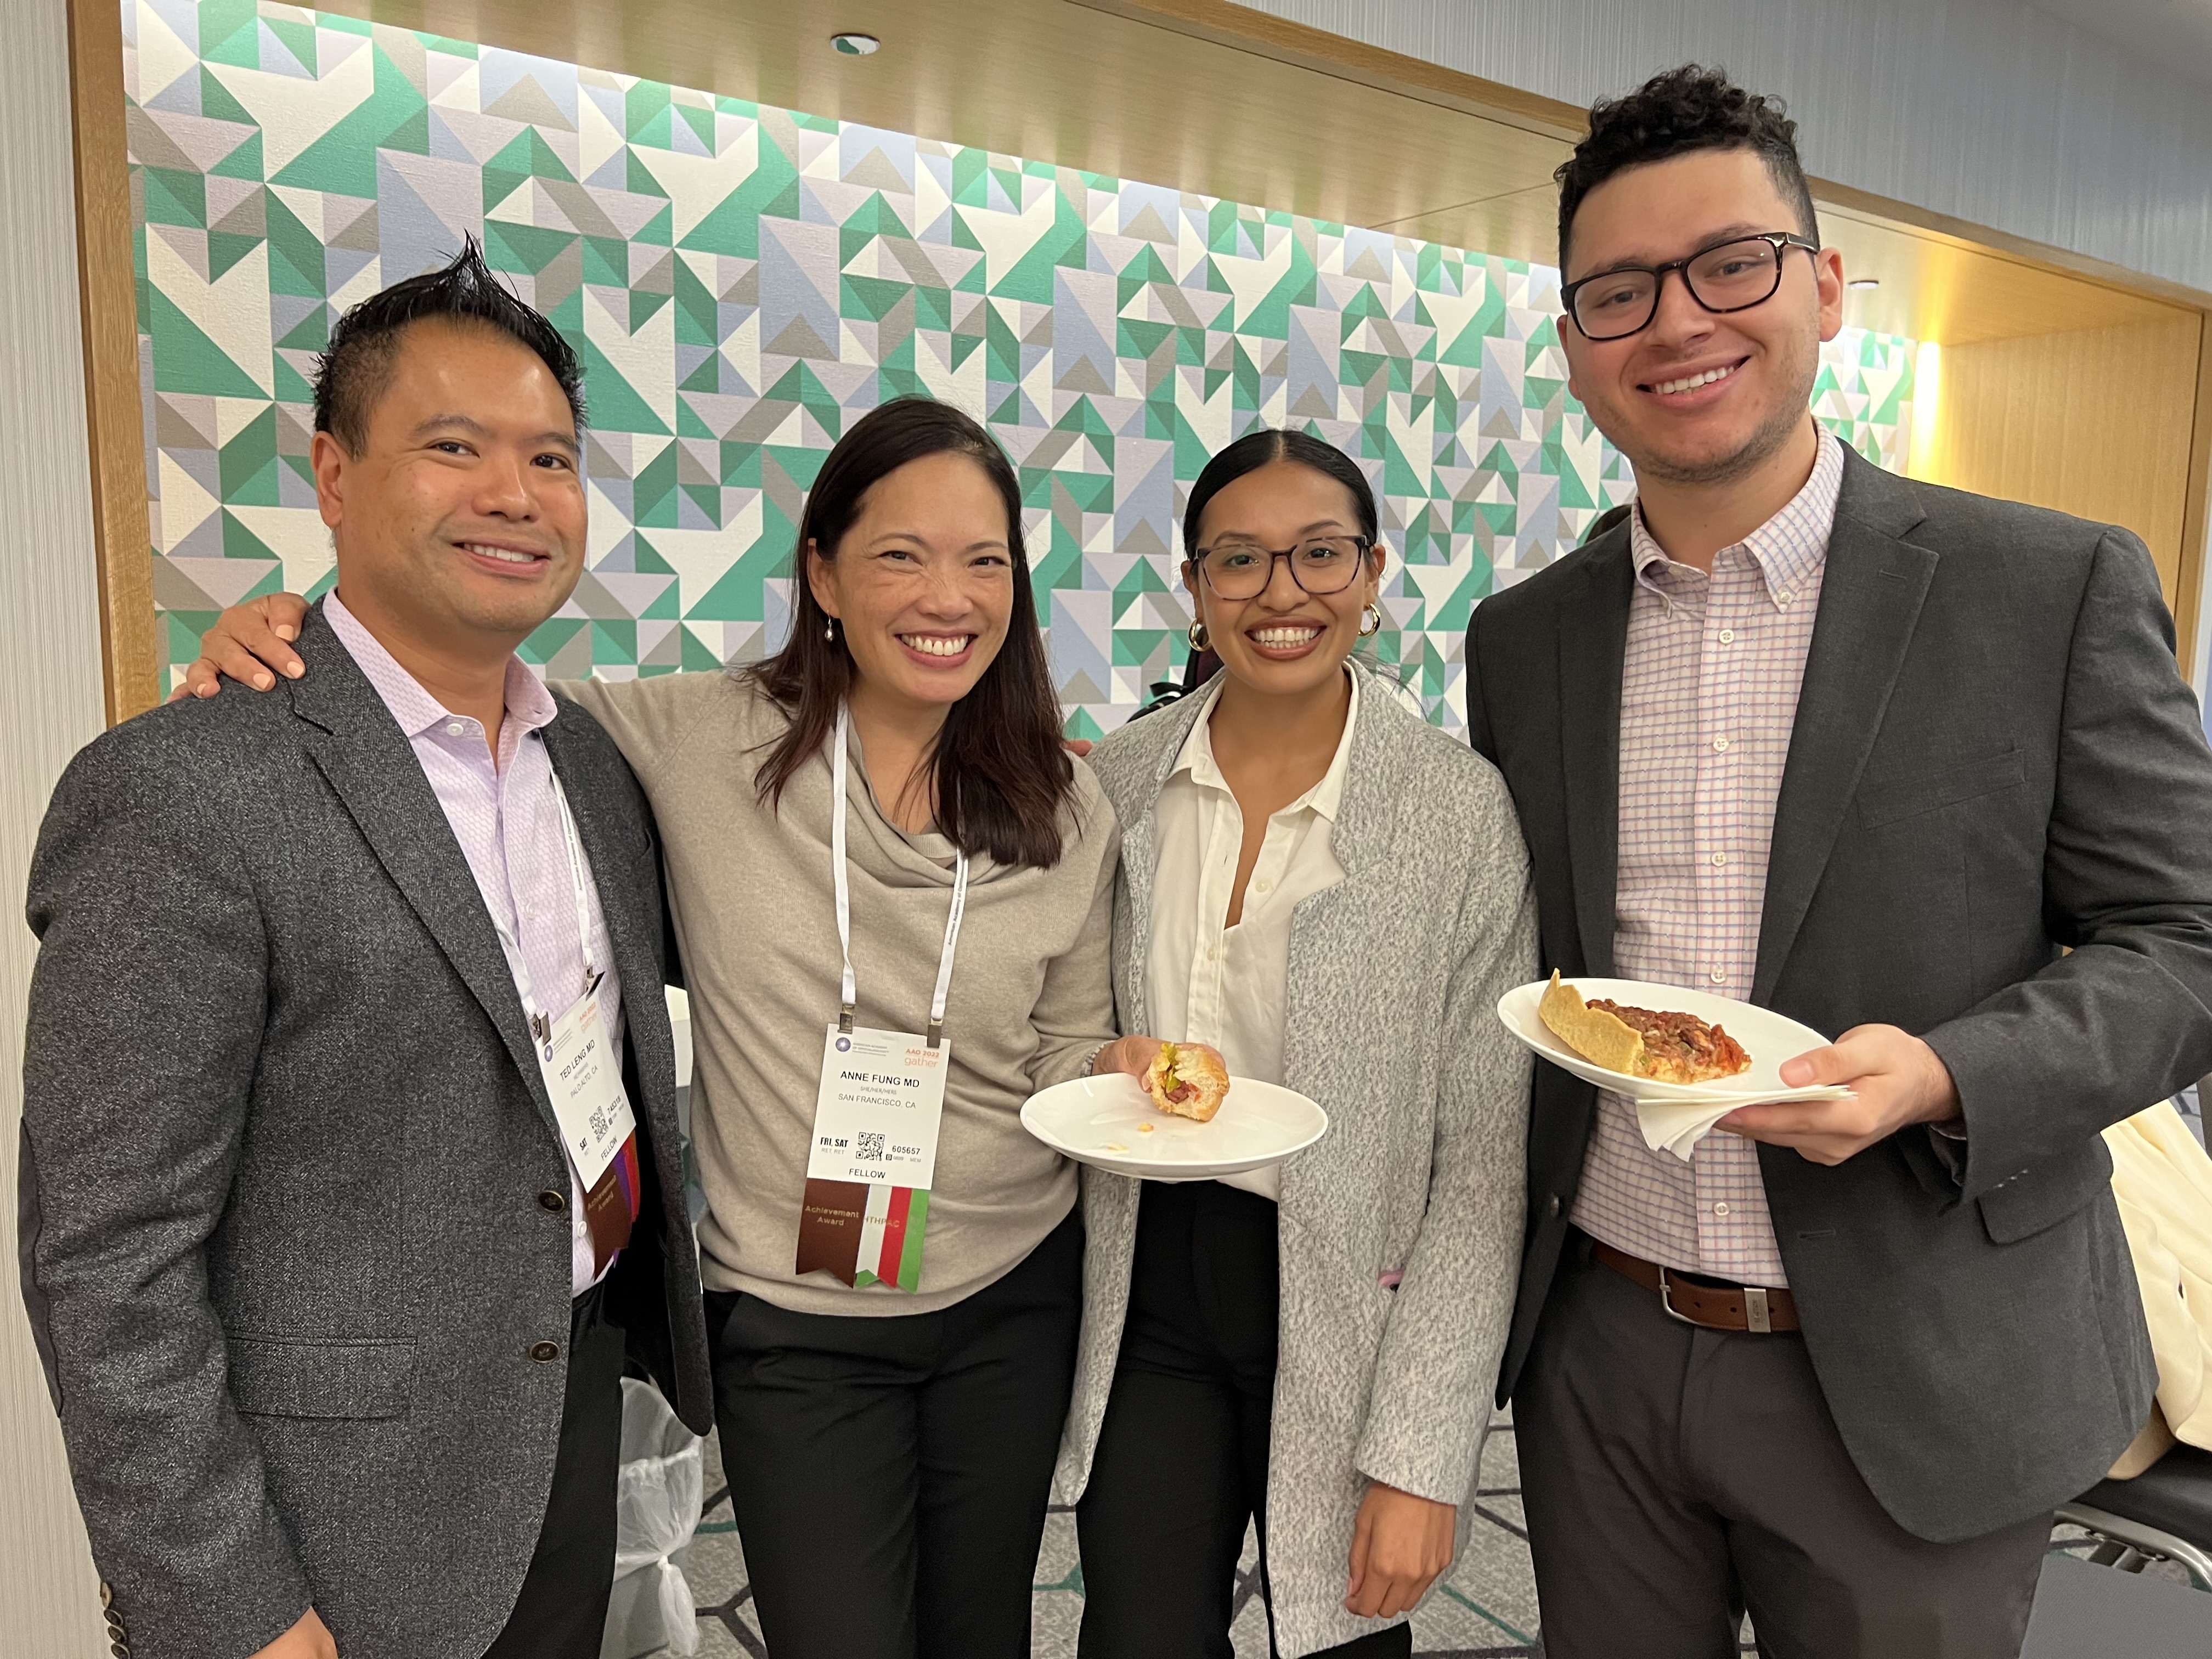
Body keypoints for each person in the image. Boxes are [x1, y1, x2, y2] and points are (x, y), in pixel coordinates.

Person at [176, 395, 1178, 1659]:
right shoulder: (696, 736)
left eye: (986, 561)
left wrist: (1113, 1062)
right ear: (824, 574)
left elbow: (1062, 1045)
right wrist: (289, 636)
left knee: (980, 1632)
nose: (948, 597)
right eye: (901, 554)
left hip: (1013, 1296)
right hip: (796, 1320)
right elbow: (456, 710)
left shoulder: (1062, 797)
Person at [1463, 64, 2212, 1658]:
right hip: (1600, 1341)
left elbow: (2185, 941)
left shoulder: (2046, 588)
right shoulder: (1523, 638)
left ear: (1822, 288)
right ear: (1575, 346)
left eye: (1730, 264)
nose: (1677, 320)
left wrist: (1942, 1076)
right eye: (1618, 291)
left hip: (1921, 1354)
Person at [20, 242, 712, 1659]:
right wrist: (232, 1603)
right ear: (334, 476)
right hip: (330, 1522)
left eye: (552, 458)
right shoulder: (185, 789)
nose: (514, 493)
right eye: (454, 447)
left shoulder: (595, 770)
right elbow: (105, 1259)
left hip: (564, 1414)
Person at [1062, 428, 1537, 1659]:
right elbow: (1059, 1026)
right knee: (1137, 1634)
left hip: (1355, 1295)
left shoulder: (1457, 812)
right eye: (1240, 559)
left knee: (1341, 1639)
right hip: (1149, 1283)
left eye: (1321, 554)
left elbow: (1483, 1163)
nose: (1283, 592)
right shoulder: (1119, 782)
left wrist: (1425, 1452)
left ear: (1373, 574)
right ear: (1194, 587)